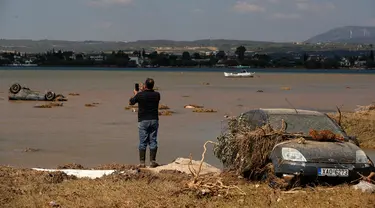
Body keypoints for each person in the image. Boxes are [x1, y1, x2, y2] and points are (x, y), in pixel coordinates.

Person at [129, 78, 160, 168]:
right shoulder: (157, 94)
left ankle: (142, 163)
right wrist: (141, 92)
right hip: (154, 120)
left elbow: (131, 102)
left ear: (145, 86)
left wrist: (136, 94)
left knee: (143, 141)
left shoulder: (140, 95)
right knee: (153, 140)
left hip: (143, 120)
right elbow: (149, 96)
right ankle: (152, 162)